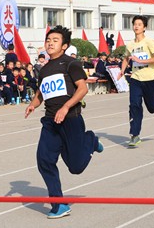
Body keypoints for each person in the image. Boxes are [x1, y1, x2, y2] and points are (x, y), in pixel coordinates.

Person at [25, 25, 103, 219]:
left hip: (71, 120)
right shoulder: (43, 70)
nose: (50, 43)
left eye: (55, 40)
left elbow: (82, 89)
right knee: (44, 160)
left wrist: (66, 107)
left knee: (76, 167)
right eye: (48, 40)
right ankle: (58, 204)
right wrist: (33, 105)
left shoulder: (71, 64)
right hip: (50, 122)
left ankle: (90, 140)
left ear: (64, 45)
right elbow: (41, 93)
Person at [118, 15, 154, 147]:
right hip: (135, 79)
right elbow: (126, 58)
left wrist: (142, 61)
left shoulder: (149, 42)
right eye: (135, 24)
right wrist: (122, 71)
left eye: (139, 24)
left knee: (151, 107)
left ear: (144, 27)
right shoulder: (130, 44)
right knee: (134, 105)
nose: (136, 26)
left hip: (150, 78)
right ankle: (134, 135)